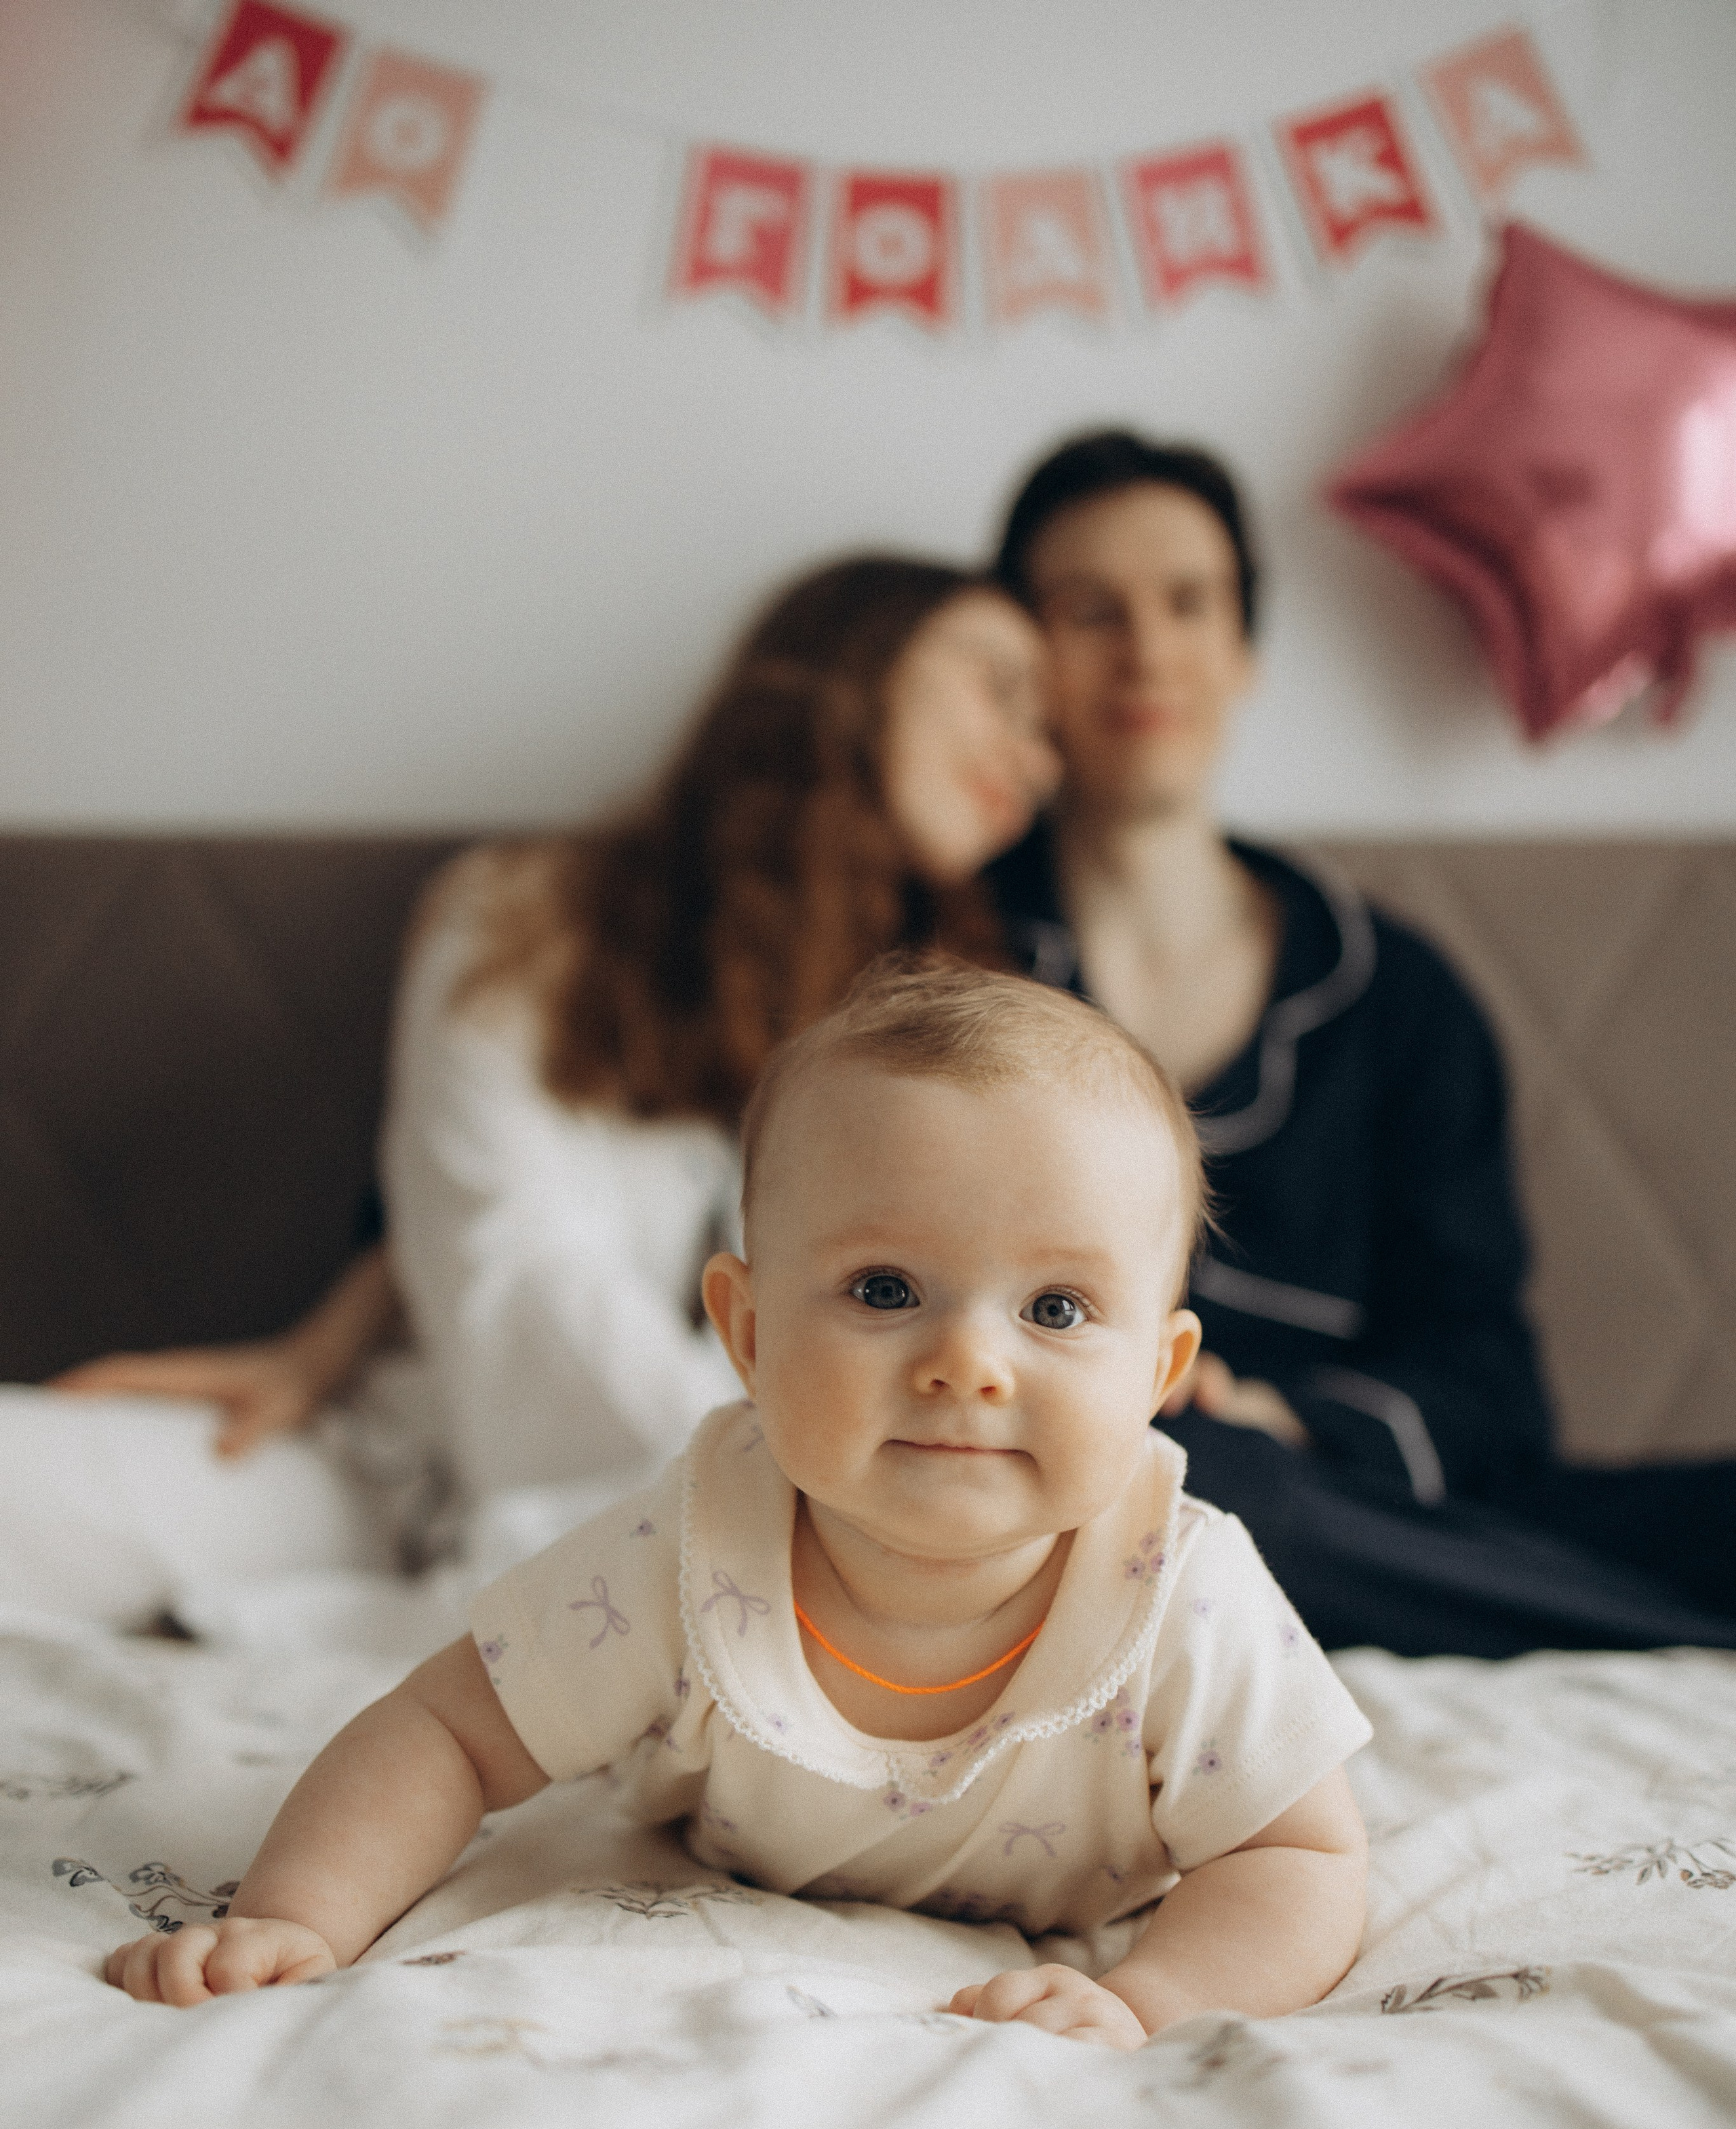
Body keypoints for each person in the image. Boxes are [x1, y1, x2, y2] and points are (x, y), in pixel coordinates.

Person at [104, 961, 1370, 2046]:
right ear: (748, 1333)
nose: (969, 1362)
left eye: (1055, 1309)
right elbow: (443, 1732)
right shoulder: (693, 1552)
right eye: (885, 1289)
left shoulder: (1179, 1591)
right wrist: (291, 1917)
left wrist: (1149, 2000)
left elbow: (1300, 1858)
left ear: (1159, 1375)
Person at [1, 557, 1058, 1628]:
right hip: (416, 1460)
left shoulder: (969, 1012)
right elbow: (498, 1247)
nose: (1036, 757)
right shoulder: (526, 916)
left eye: (1051, 730)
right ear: (853, 669)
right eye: (1001, 689)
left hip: (793, 1510)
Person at [985, 429, 1736, 1657]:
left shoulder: (1397, 995)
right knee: (1193, 1480)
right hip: (1101, 1496)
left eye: (1189, 602)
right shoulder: (943, 982)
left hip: (1363, 1494)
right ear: (1026, 657)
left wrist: (1296, 1419)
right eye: (1087, 610)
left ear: (1244, 648)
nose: (1147, 650)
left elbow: (1490, 1382)